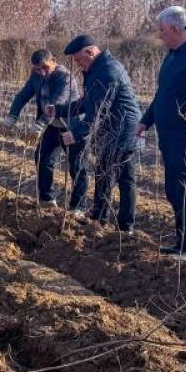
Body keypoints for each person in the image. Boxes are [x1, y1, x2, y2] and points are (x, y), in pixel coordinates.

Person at [137, 6, 186, 261]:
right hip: (168, 137)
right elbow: (162, 95)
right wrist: (145, 122)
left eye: (162, 31)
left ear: (177, 29)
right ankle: (180, 241)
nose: (160, 36)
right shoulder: (172, 56)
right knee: (173, 189)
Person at [47, 35, 141, 234]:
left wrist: (77, 133)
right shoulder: (96, 69)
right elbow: (88, 102)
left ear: (90, 52)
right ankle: (100, 218)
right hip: (110, 129)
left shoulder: (107, 70)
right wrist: (60, 110)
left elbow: (99, 109)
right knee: (103, 174)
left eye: (79, 59)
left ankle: (125, 228)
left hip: (123, 130)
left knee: (124, 178)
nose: (78, 65)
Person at [3, 49, 85, 212]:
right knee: (43, 160)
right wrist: (12, 117)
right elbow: (22, 96)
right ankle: (47, 199)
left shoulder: (65, 77)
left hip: (72, 128)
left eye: (45, 68)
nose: (42, 72)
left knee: (77, 167)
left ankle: (78, 208)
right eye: (37, 69)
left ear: (54, 60)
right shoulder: (36, 76)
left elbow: (55, 104)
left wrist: (39, 125)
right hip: (52, 127)